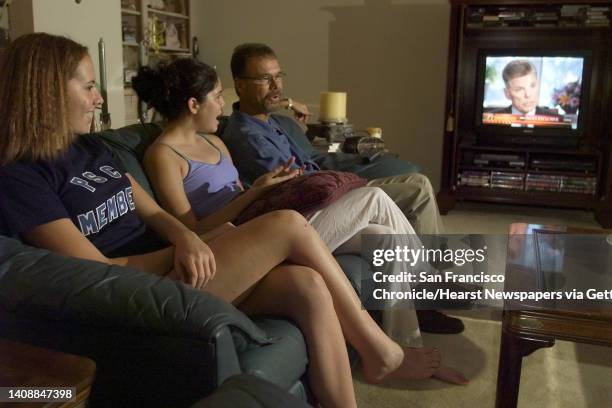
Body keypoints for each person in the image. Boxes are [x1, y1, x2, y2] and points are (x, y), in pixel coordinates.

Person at [0, 34, 467, 408]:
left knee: (307, 284)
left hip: (182, 263)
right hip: (138, 292)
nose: (98, 97)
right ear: (44, 91)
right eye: (87, 86)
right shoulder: (20, 175)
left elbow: (157, 213)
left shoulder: (94, 148)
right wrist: (186, 247)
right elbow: (92, 274)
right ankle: (383, 353)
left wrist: (188, 236)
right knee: (286, 224)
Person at [132, 58, 466, 345]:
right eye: (217, 97)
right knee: (374, 198)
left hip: (266, 218)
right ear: (193, 105)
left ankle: (406, 342)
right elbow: (190, 232)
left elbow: (245, 193)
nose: (222, 105)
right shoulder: (163, 155)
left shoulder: (214, 142)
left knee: (387, 238)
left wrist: (273, 186)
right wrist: (255, 192)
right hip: (247, 244)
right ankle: (432, 282)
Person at [221, 43, 445, 238]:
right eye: (265, 78)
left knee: (420, 181)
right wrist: (346, 181)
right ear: (240, 85)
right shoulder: (247, 136)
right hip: (317, 200)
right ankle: (434, 274)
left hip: (326, 186)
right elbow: (293, 187)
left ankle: (436, 269)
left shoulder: (268, 120)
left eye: (278, 76)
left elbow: (271, 100)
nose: (276, 86)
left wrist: (289, 103)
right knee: (417, 192)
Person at [488, 60, 558, 116]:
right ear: (507, 93)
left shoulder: (557, 121)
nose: (528, 95)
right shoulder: (491, 118)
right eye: (519, 89)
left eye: (532, 86)